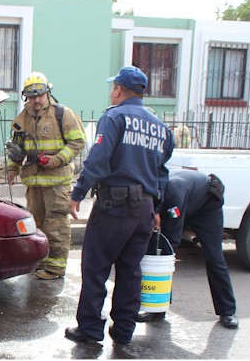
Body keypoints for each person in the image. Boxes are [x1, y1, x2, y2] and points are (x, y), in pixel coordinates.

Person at [65, 66, 175, 344]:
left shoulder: (114, 117)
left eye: (112, 87)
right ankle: (124, 330)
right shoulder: (160, 127)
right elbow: (162, 170)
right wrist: (157, 207)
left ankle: (90, 329)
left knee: (95, 268)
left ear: (118, 90)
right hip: (144, 210)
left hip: (114, 207)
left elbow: (98, 160)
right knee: (130, 270)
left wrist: (77, 193)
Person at [5, 72, 86, 280]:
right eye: (32, 97)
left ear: (48, 93)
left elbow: (78, 142)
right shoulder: (22, 119)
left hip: (57, 183)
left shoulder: (62, 114)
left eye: (40, 95)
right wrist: (12, 168)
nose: (37, 100)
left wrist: (56, 160)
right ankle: (41, 263)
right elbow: (17, 148)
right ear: (26, 98)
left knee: (56, 224)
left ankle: (56, 268)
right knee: (37, 225)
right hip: (34, 182)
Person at [136, 169, 239, 329]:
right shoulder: (149, 191)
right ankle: (158, 308)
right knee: (159, 250)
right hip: (185, 202)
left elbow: (172, 239)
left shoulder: (172, 193)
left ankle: (227, 311)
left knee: (213, 256)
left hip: (206, 208)